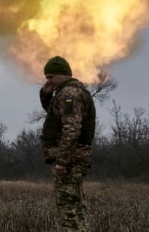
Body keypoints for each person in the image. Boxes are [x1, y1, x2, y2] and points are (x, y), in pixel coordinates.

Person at [39, 56, 96, 231]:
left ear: (63, 75)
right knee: (74, 209)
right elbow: (55, 114)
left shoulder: (69, 94)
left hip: (71, 160)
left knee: (69, 213)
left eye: (51, 77)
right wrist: (46, 94)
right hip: (74, 158)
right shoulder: (69, 92)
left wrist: (62, 161)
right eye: (46, 77)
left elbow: (71, 129)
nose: (49, 81)